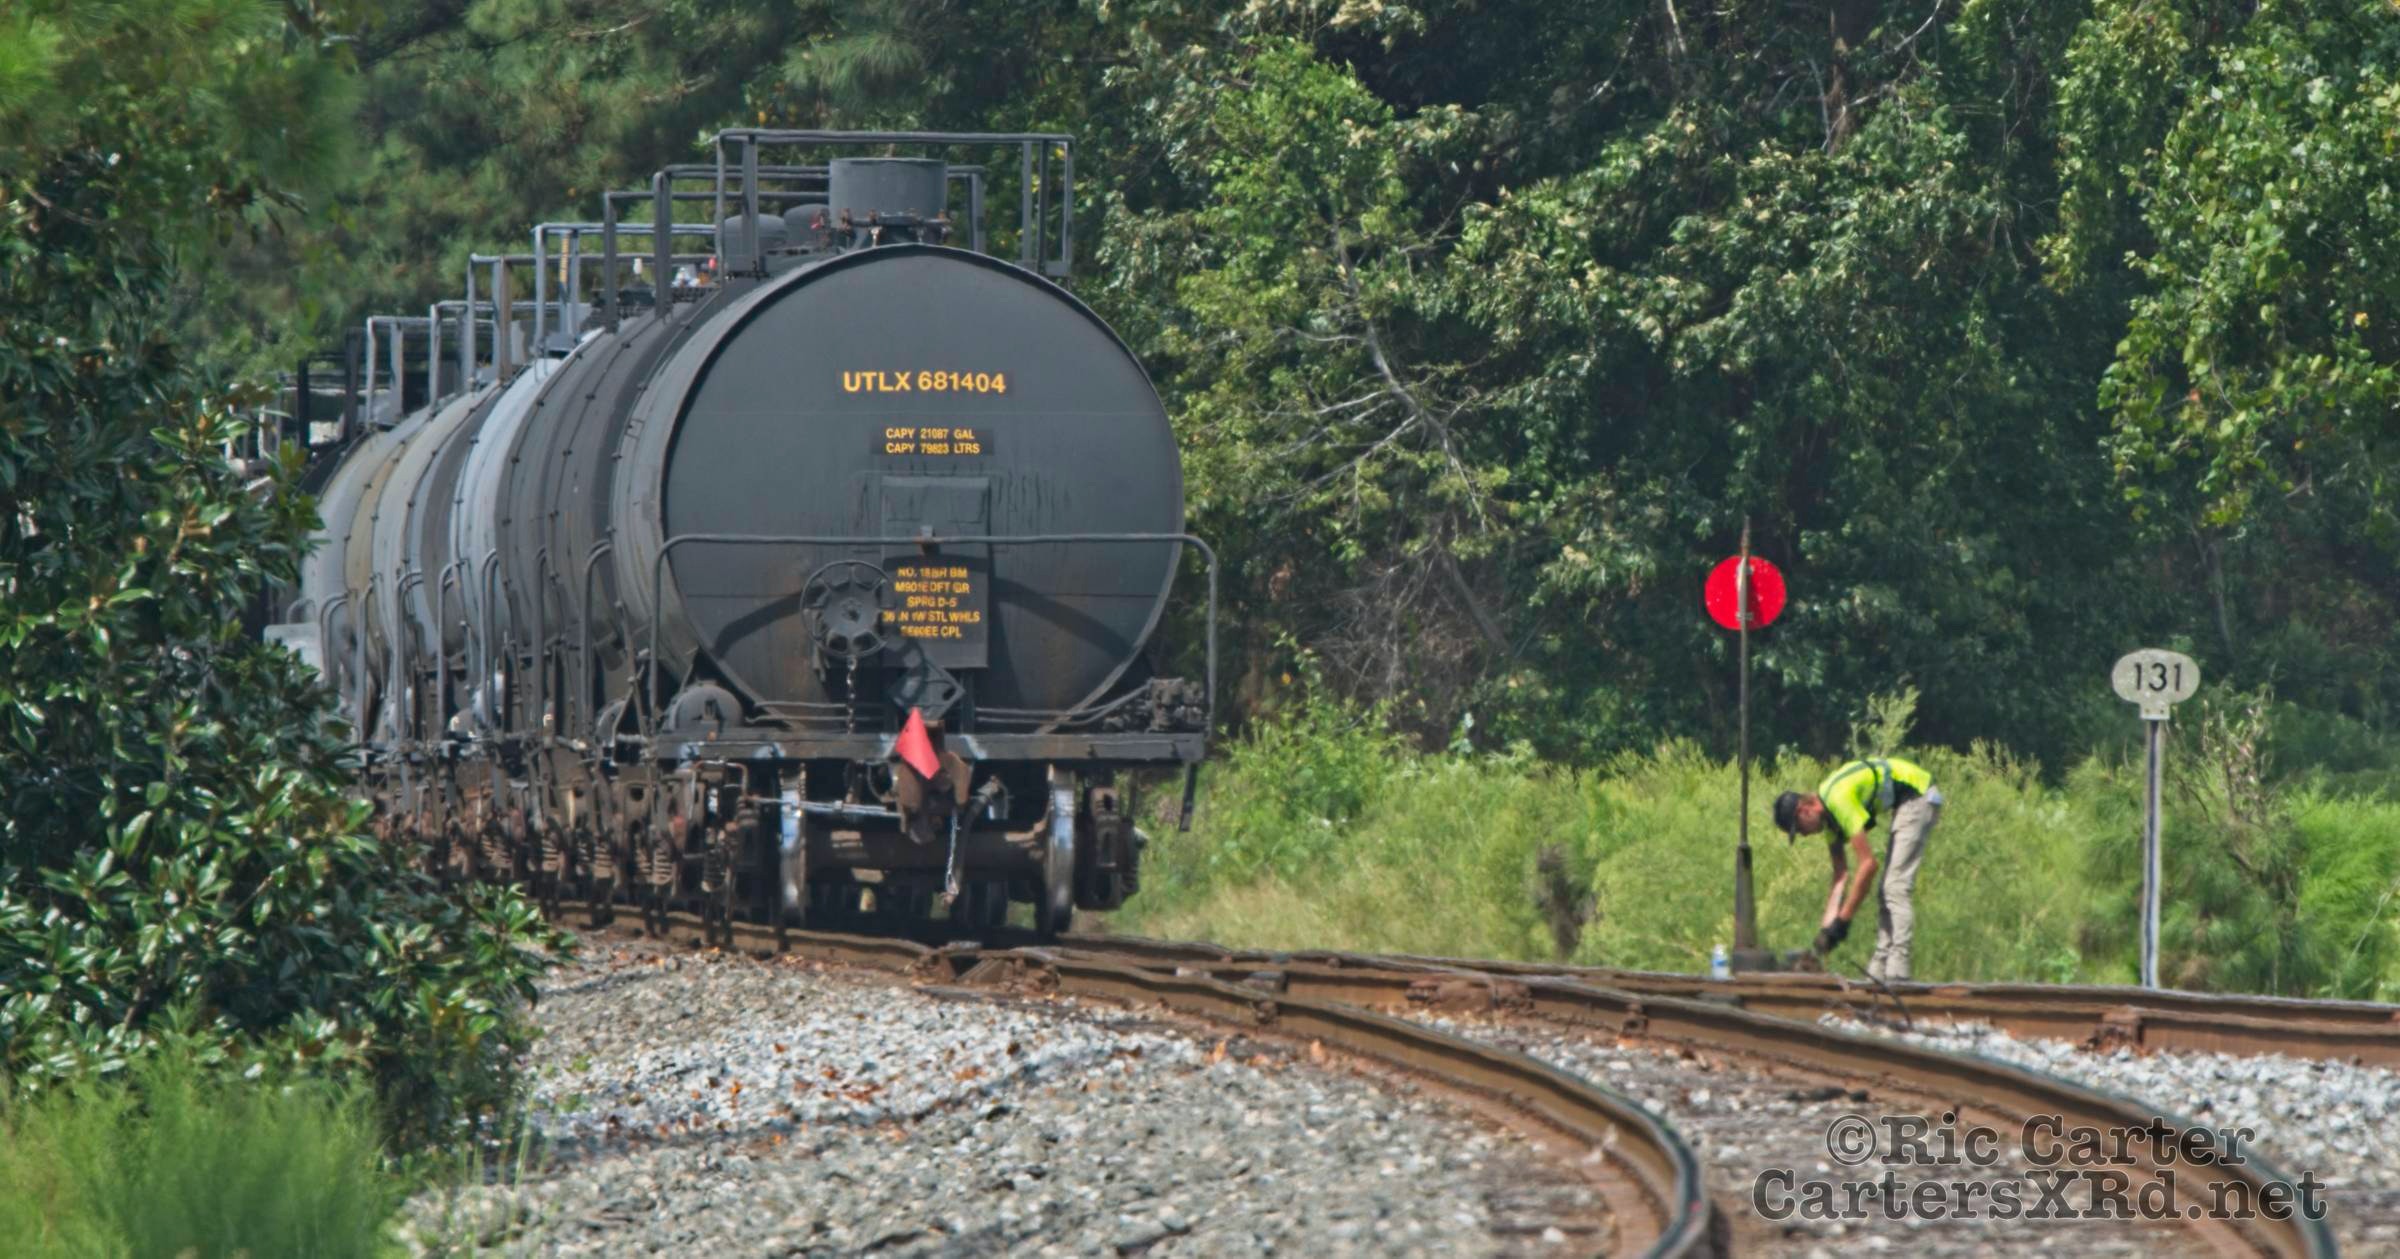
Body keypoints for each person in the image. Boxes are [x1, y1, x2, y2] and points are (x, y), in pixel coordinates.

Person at [1773, 757, 1944, 981]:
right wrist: (1826, 934)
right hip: (1904, 802)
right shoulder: (1829, 821)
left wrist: (1843, 922)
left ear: (1804, 810)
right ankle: (1881, 965)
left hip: (1919, 794)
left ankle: (1898, 967)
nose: (1803, 835)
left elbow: (1868, 865)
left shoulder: (1838, 800)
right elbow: (1840, 877)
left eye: (1799, 829)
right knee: (1885, 891)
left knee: (1895, 887)